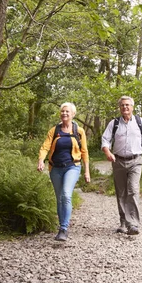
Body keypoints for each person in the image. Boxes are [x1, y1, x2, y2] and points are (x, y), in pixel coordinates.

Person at [101, 96, 142, 235]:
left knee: (133, 190)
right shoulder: (114, 123)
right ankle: (123, 223)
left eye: (127, 105)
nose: (125, 107)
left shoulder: (140, 122)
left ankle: (133, 224)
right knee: (121, 192)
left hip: (135, 161)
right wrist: (107, 152)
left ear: (132, 107)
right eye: (122, 105)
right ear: (119, 108)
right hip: (118, 161)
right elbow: (105, 140)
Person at [38, 102, 90, 241]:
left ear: (73, 114)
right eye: (62, 111)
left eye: (67, 112)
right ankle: (62, 226)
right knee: (60, 198)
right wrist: (41, 160)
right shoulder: (54, 130)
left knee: (66, 195)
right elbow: (45, 147)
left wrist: (87, 171)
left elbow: (84, 152)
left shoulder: (79, 131)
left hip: (72, 167)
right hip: (55, 168)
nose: (64, 114)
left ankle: (64, 228)